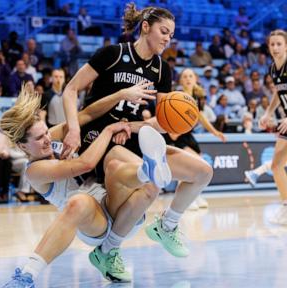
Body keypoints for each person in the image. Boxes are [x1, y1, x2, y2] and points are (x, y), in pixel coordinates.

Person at [62, 2, 213, 261]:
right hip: (101, 138)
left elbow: (162, 121)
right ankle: (109, 252)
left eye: (171, 35)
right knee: (152, 181)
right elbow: (71, 89)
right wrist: (73, 129)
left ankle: (166, 226)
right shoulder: (112, 54)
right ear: (145, 27)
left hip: (133, 136)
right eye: (164, 31)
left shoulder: (162, 69)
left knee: (202, 172)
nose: (168, 39)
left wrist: (130, 126)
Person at [0, 85, 171, 287]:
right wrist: (109, 130)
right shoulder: (34, 171)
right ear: (22, 146)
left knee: (122, 163)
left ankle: (147, 172)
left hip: (121, 209)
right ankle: (26, 276)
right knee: (78, 201)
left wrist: (120, 95)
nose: (47, 138)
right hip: (95, 223)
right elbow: (84, 165)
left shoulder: (50, 137)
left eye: (46, 132)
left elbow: (88, 114)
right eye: (39, 138)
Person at [164, 68, 226, 210]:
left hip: (187, 134)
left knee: (199, 164)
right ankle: (186, 200)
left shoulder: (197, 96)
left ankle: (194, 196)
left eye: (190, 76)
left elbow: (200, 117)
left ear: (196, 78)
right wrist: (173, 132)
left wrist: (215, 132)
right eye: (185, 76)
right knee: (188, 167)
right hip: (176, 134)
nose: (188, 79)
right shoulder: (177, 96)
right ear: (180, 80)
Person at [258, 29, 287, 225]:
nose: (275, 47)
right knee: (276, 165)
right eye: (272, 44)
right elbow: (279, 93)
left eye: (279, 44)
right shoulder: (273, 69)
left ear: (286, 46)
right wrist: (268, 112)